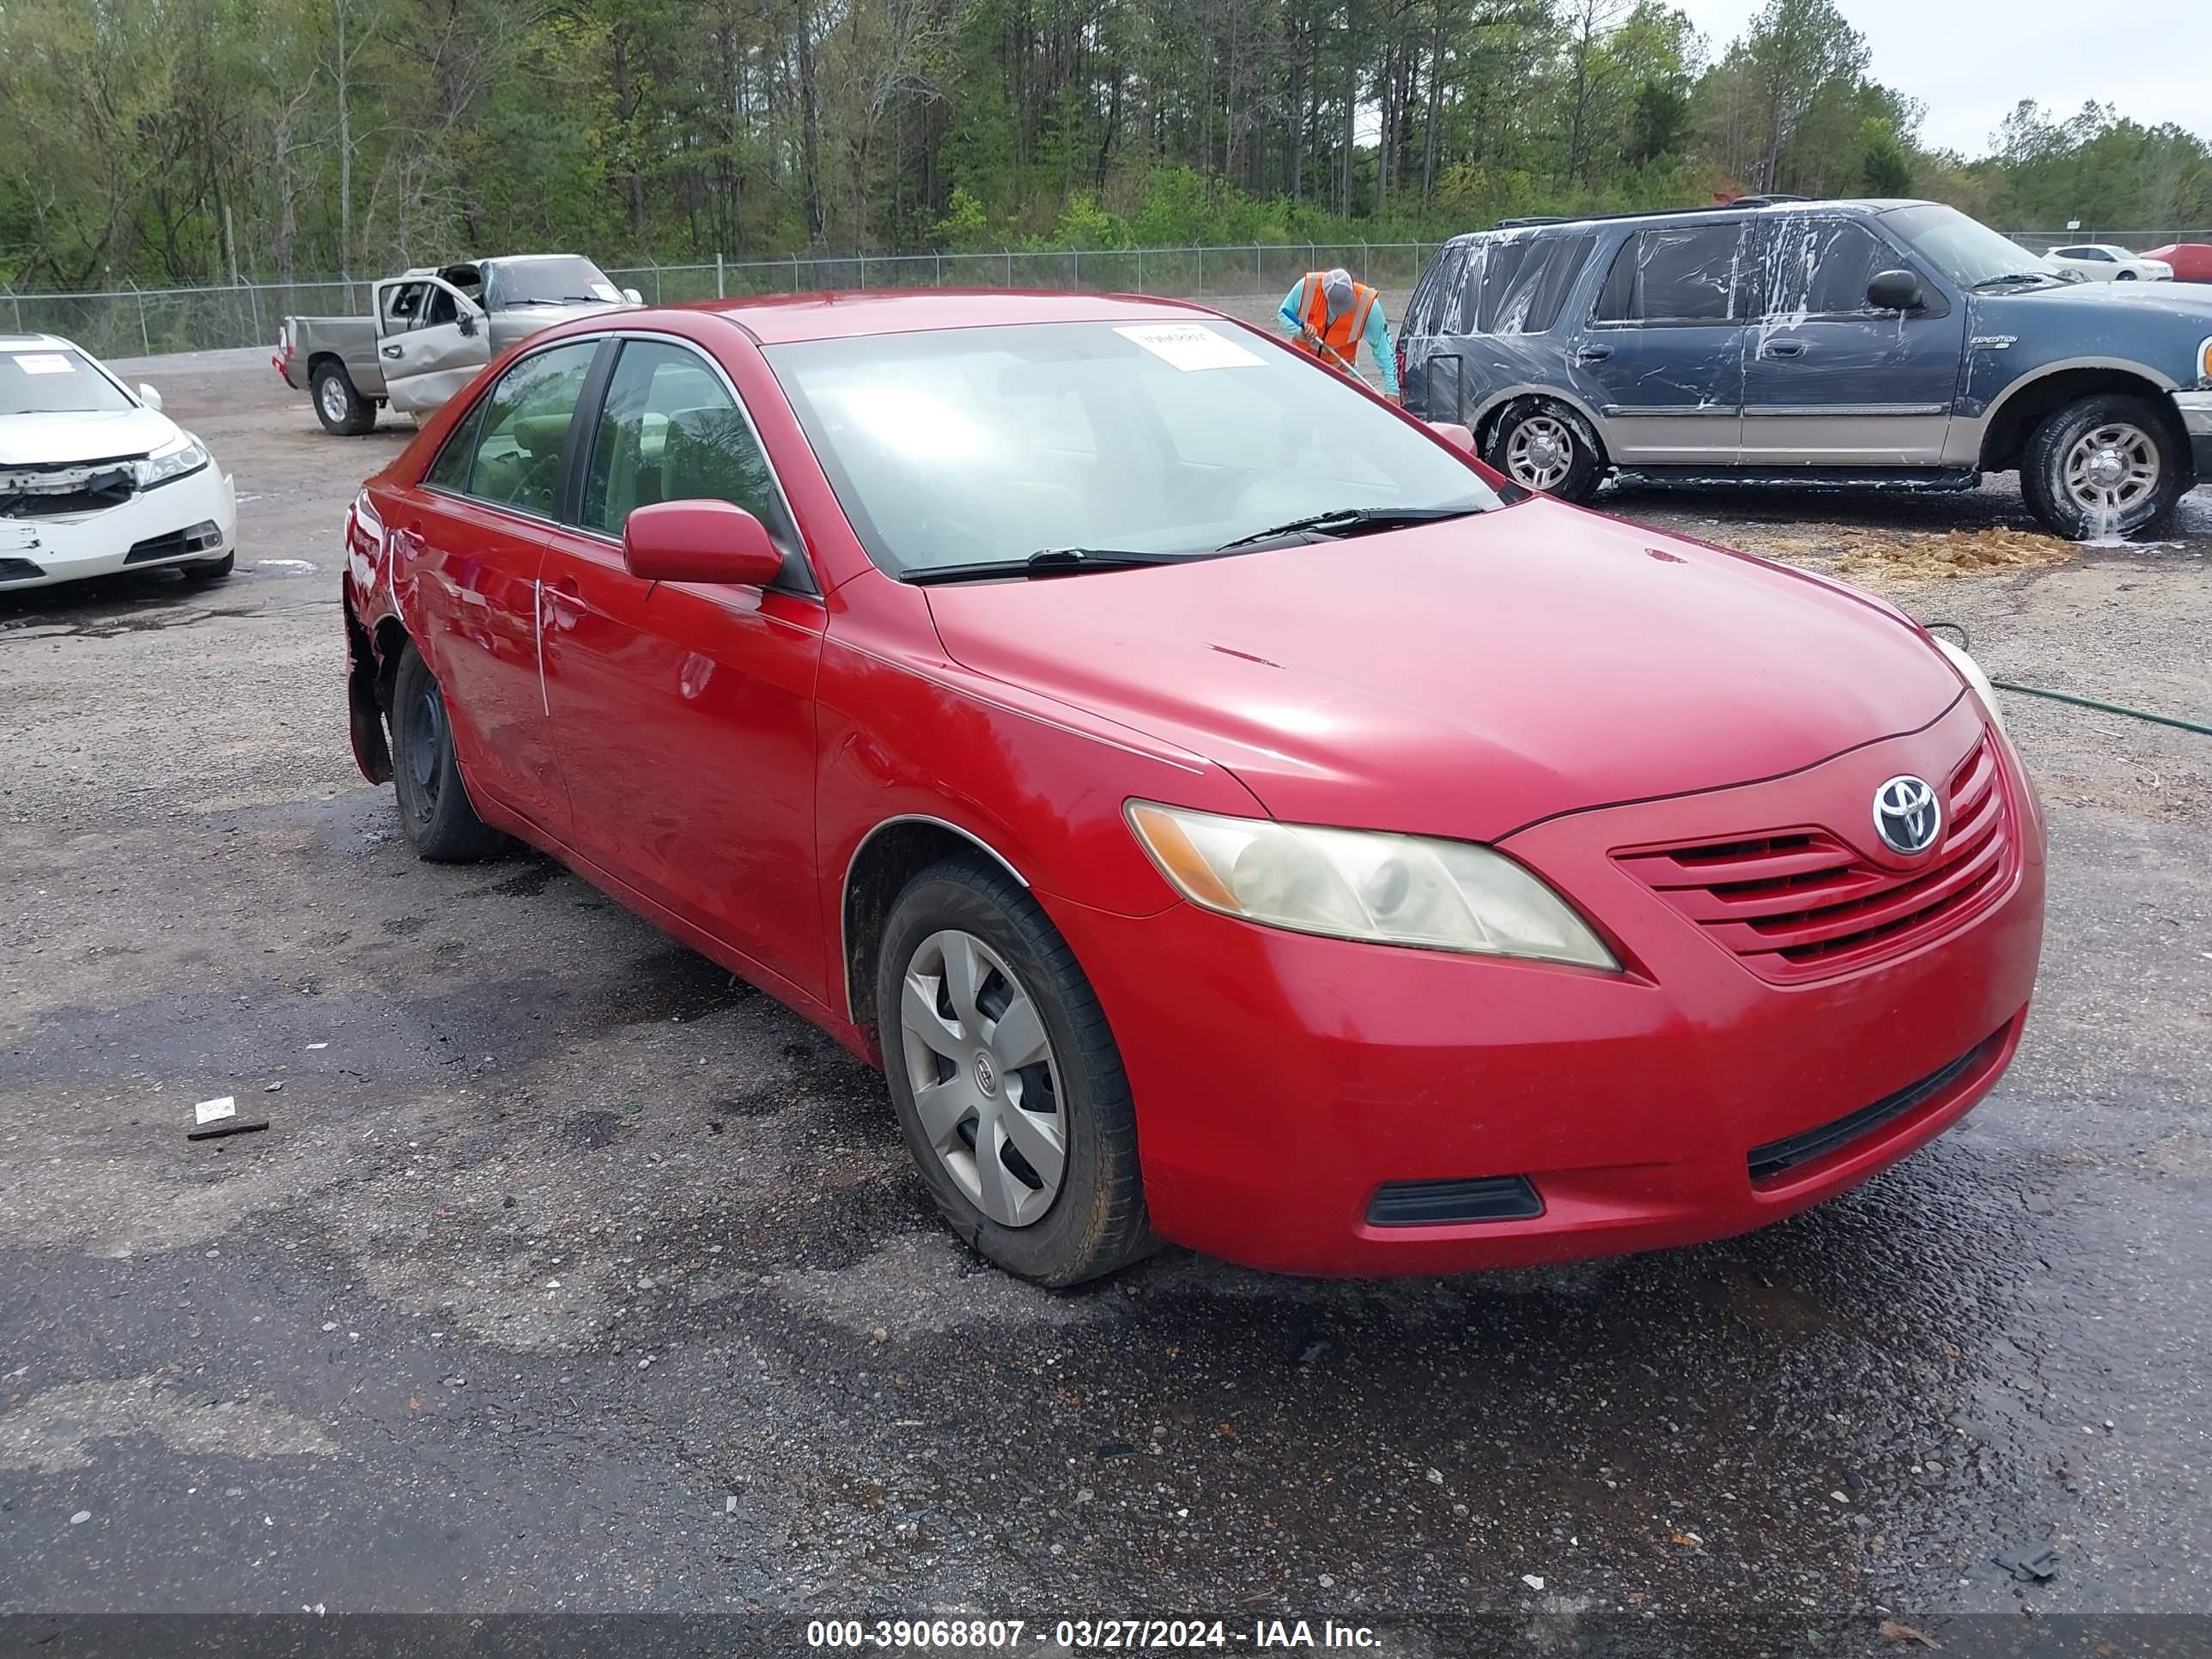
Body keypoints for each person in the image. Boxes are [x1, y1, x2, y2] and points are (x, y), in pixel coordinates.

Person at [1276, 266, 1399, 404]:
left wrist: (1392, 390)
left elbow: (1384, 349)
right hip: (1302, 371)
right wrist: (1300, 332)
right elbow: (1283, 313)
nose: (1343, 310)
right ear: (1325, 295)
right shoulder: (1307, 287)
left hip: (1341, 378)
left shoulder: (1368, 306)